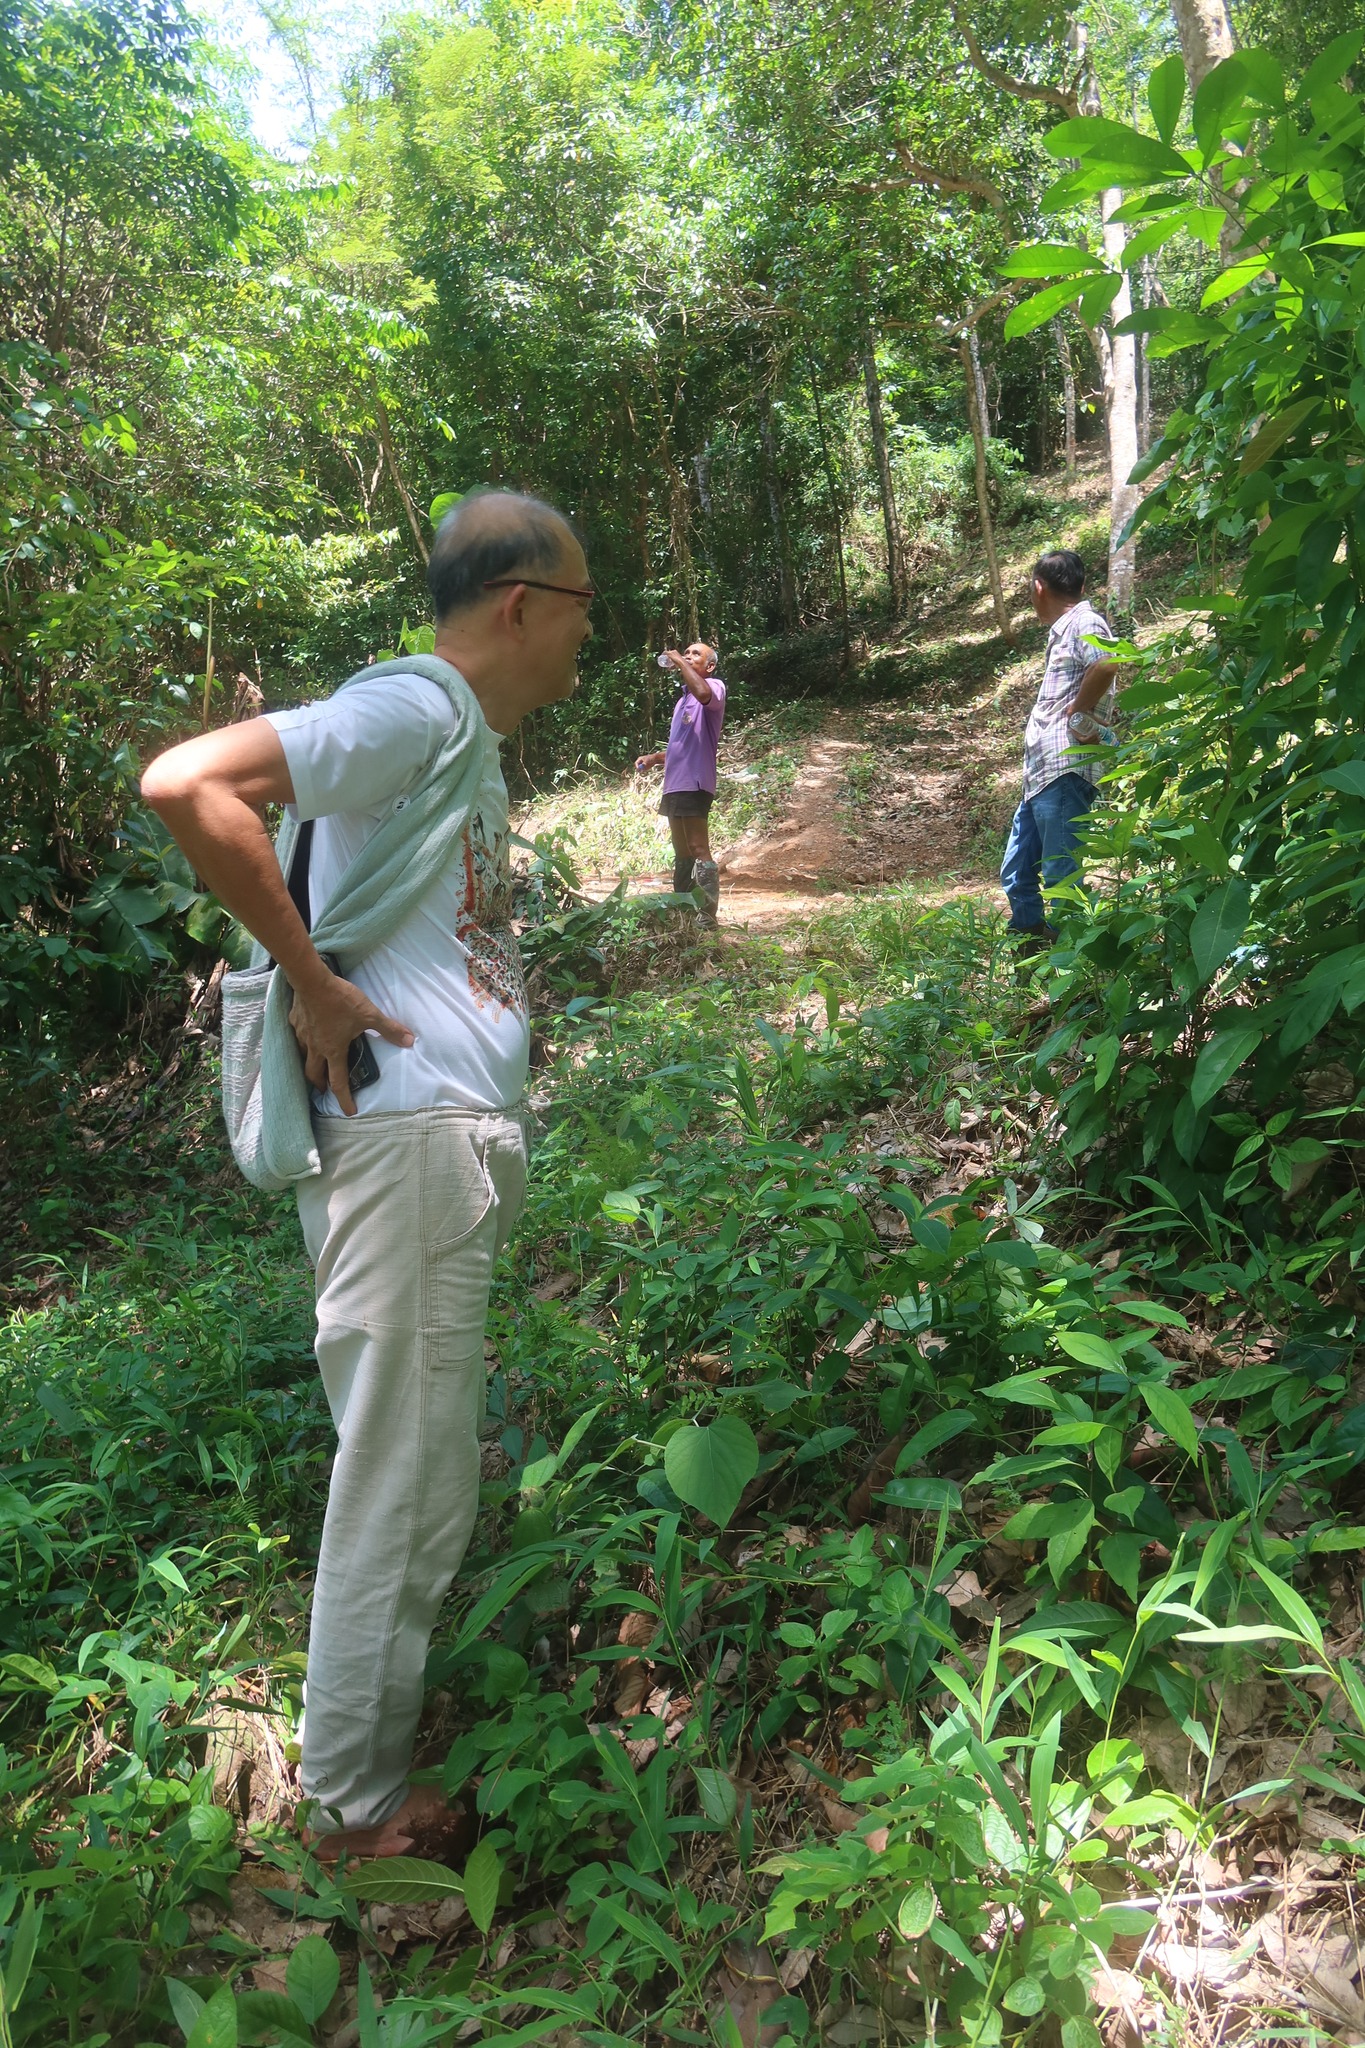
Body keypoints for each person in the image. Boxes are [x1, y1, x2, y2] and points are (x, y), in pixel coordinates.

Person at [140, 490, 592, 1860]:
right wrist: (313, 980)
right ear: (521, 604)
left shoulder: (437, 730)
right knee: (404, 1478)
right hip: (409, 1150)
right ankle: (351, 1807)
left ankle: (355, 1776)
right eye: (582, 608)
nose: (590, 637)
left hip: (420, 1146)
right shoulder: (418, 706)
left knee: (409, 1462)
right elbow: (186, 781)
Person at [1001, 549, 1120, 953]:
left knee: (1061, 874)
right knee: (1018, 872)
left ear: (1038, 588)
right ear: (1081, 585)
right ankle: (1032, 950)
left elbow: (1106, 664)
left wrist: (1078, 710)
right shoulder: (1066, 629)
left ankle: (1075, 965)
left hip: (1064, 770)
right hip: (1042, 774)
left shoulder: (1085, 621)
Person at [634, 641, 726, 923]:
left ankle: (707, 917)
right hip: (674, 783)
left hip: (695, 782)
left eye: (696, 654)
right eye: (686, 653)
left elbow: (703, 693)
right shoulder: (682, 701)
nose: (688, 656)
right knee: (682, 852)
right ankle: (685, 914)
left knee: (698, 848)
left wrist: (679, 660)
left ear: (710, 666)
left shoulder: (714, 687)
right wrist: (654, 758)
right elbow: (681, 747)